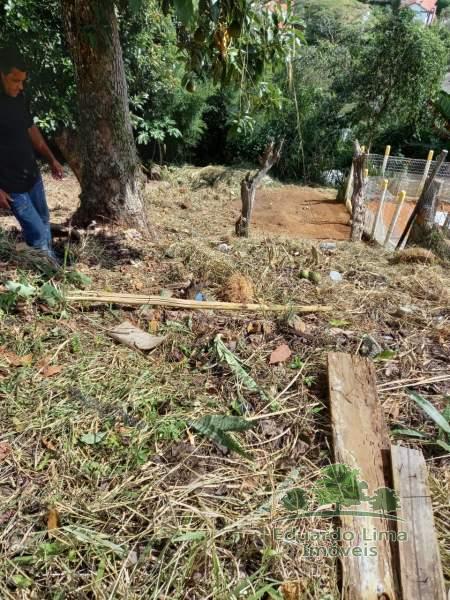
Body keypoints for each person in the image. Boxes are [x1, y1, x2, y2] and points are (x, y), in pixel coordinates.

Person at [0, 47, 64, 264]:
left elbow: (32, 131)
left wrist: (51, 159)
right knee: (36, 232)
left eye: (23, 81)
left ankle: (52, 262)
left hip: (33, 176)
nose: (20, 86)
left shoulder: (20, 98)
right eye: (14, 80)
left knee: (45, 220)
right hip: (11, 188)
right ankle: (52, 275)